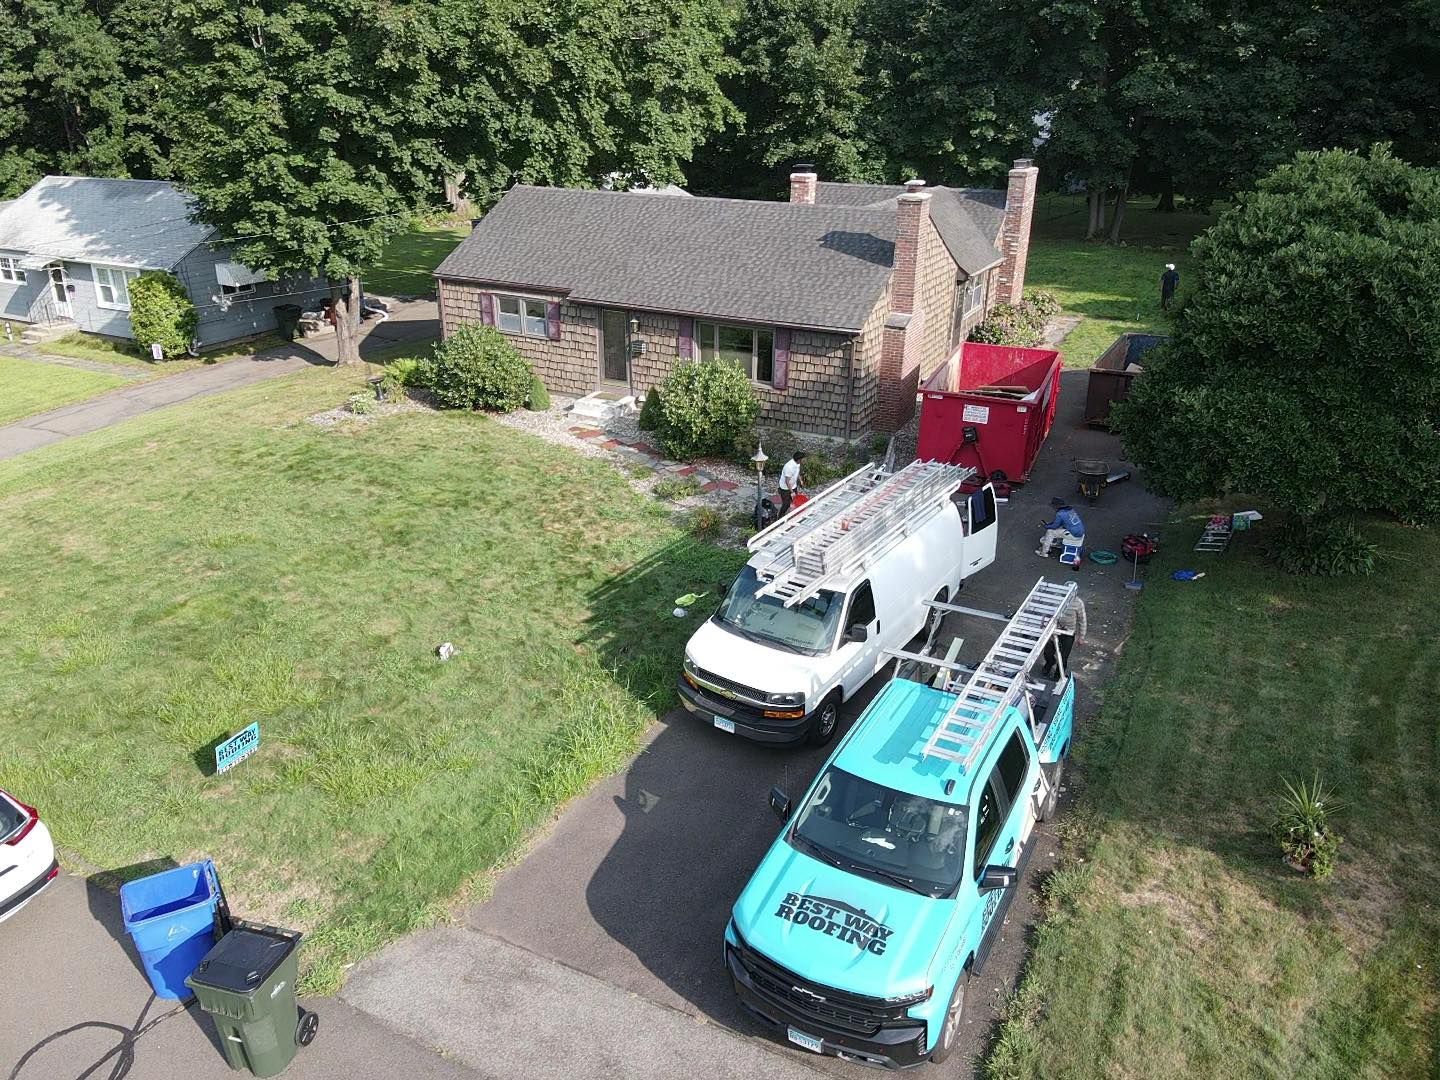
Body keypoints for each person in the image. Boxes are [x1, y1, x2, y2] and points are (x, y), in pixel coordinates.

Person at [1045, 593, 1087, 678]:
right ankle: (1049, 663)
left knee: (1063, 657)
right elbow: (1048, 612)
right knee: (1048, 652)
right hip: (1054, 630)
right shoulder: (1057, 599)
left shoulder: (1078, 603)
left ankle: (1058, 675)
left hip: (1068, 633)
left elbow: (1082, 620)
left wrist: (1081, 637)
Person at [778, 450, 806, 516]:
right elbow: (787, 481)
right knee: (786, 504)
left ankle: (794, 514)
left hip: (793, 485)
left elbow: (797, 472)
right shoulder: (789, 467)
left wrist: (800, 480)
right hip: (785, 488)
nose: (804, 460)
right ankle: (780, 516)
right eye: (803, 459)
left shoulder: (798, 463)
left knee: (795, 500)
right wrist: (792, 492)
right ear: (799, 459)